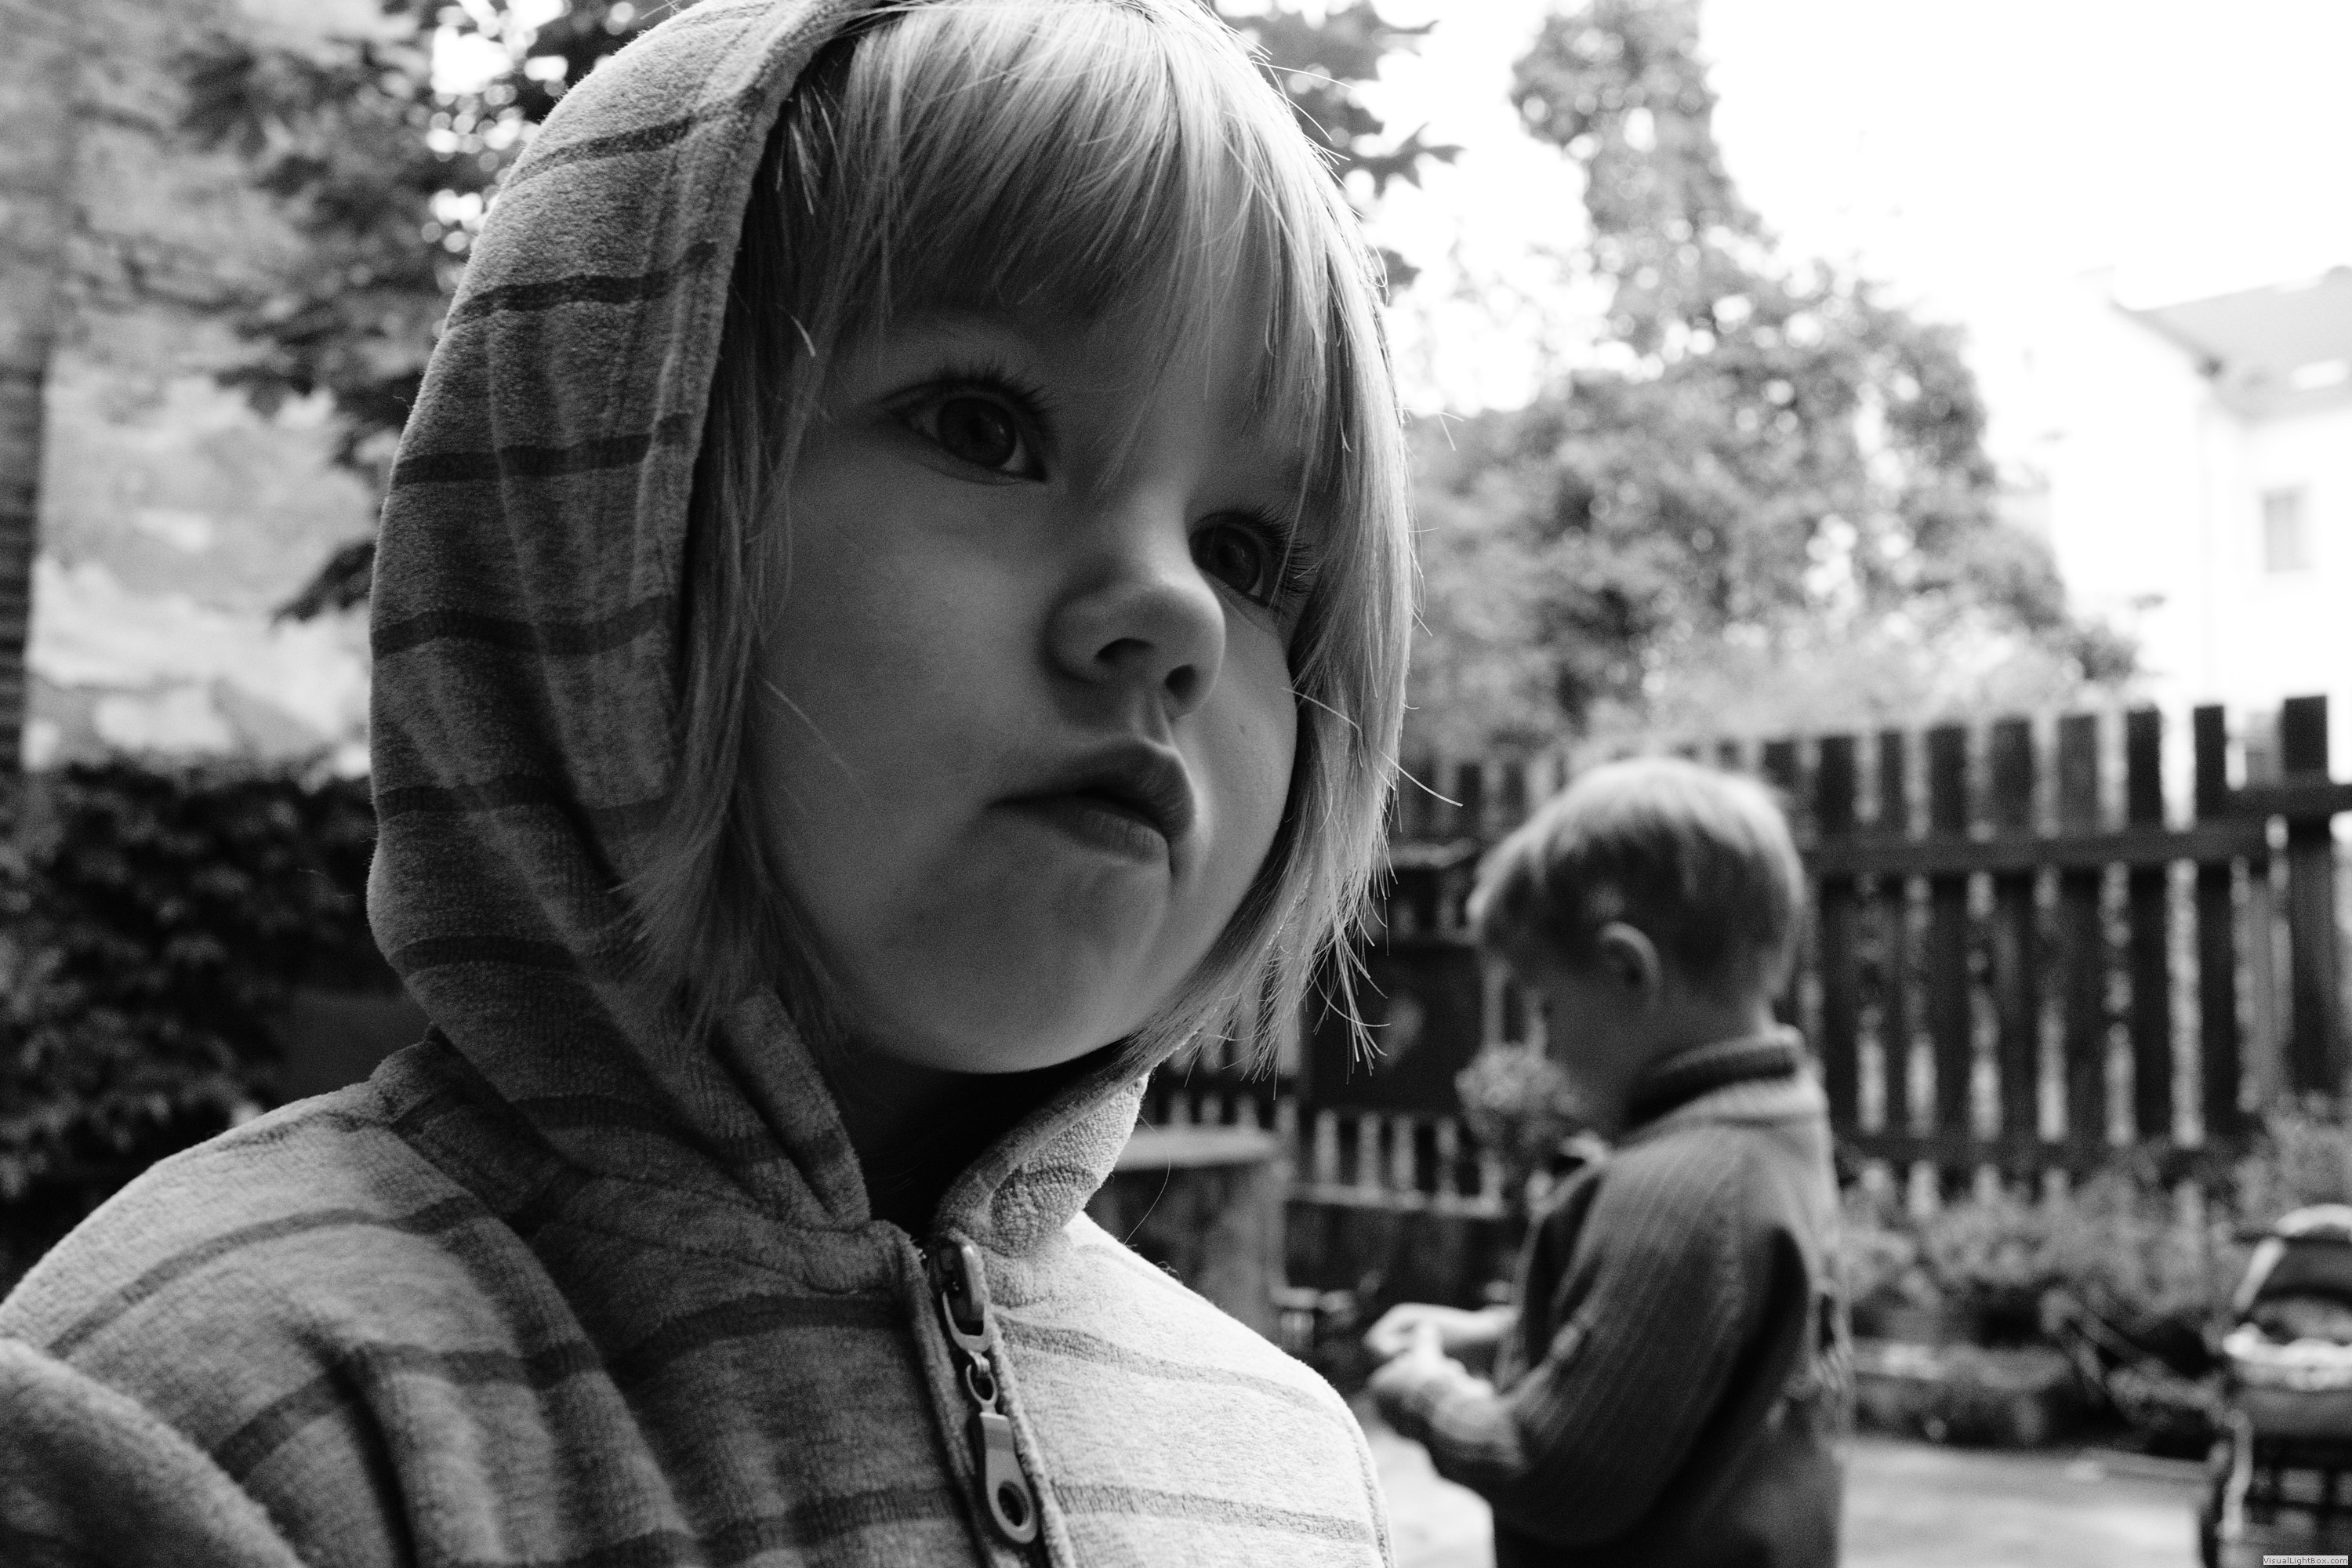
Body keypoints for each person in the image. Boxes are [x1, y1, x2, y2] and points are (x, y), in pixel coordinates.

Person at [0, 2, 1414, 1562]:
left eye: (1249, 551)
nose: (1176, 610)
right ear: (596, 509)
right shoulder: (218, 1411)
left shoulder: (1290, 1462)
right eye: (984, 425)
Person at [1364, 757, 1849, 1567]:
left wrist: (1424, 1392)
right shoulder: (1781, 1125)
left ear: (1627, 970)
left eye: (1547, 1004)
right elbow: (1680, 1343)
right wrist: (1496, 1336)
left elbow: (1550, 1470)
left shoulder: (1678, 1191)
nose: (1545, 1045)